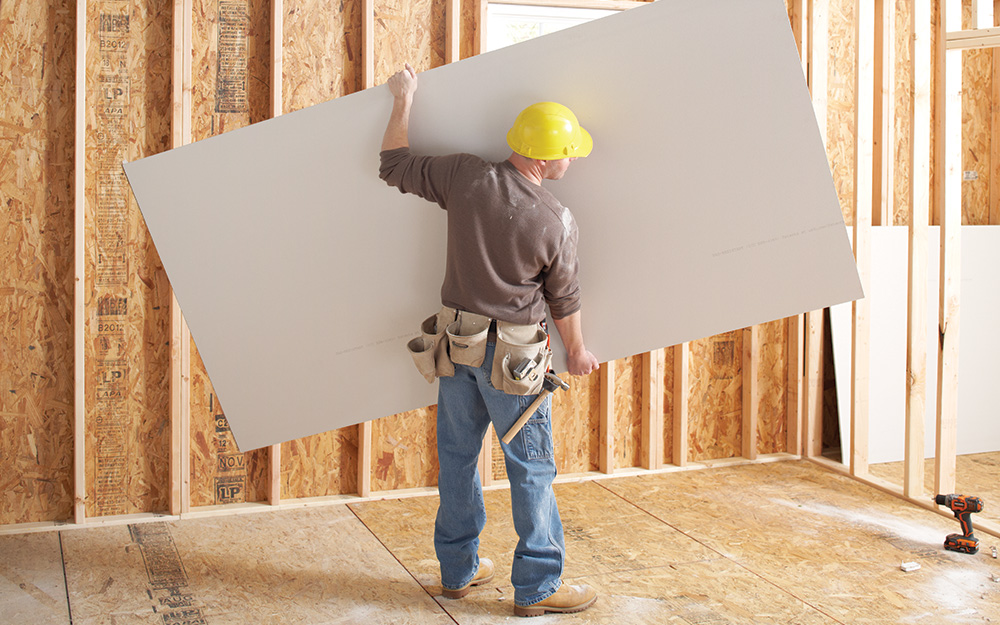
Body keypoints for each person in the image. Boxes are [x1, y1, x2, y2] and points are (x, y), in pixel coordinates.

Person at [378, 62, 600, 618]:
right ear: (546, 160)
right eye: (569, 150)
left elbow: (393, 165)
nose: (572, 159)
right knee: (530, 469)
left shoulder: (466, 177)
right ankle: (538, 589)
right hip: (515, 364)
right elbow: (563, 300)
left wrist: (404, 98)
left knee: (456, 458)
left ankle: (457, 572)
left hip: (457, 346)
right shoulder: (556, 219)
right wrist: (577, 351)